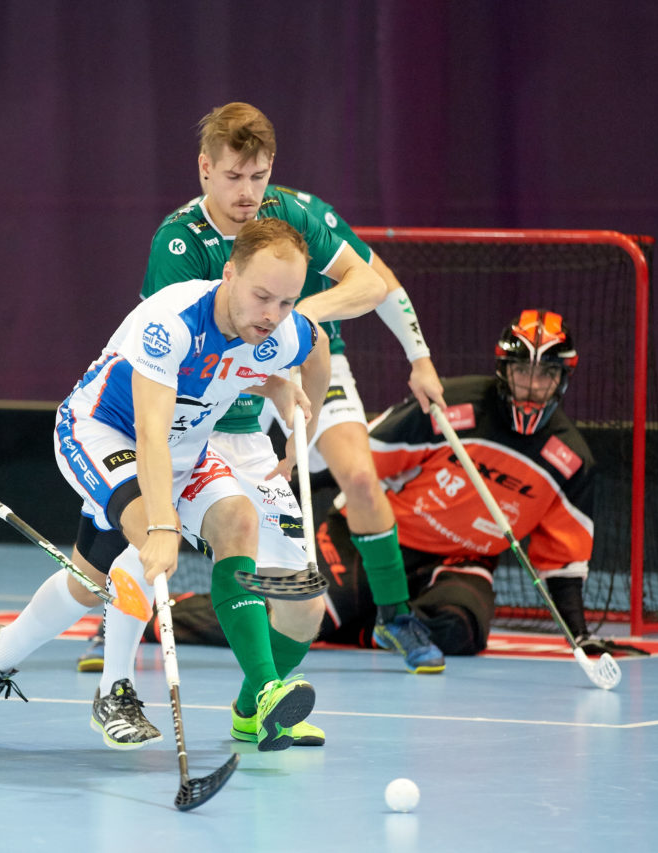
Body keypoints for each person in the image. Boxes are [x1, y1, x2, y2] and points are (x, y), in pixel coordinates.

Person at [0, 218, 380, 753]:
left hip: (185, 448)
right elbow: (149, 432)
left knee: (125, 568)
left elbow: (316, 349)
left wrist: (301, 415)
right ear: (229, 275)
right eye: (261, 297)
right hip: (103, 430)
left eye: (287, 302)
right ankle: (115, 691)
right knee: (149, 540)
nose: (273, 315)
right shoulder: (173, 320)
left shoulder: (285, 328)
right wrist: (162, 526)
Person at [80, 102, 449, 687]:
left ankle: (369, 632)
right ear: (205, 169)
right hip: (202, 413)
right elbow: (193, 365)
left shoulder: (294, 216)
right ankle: (110, 625)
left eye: (258, 176)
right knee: (109, 558)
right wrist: (274, 364)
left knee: (316, 559)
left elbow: (372, 283)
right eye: (233, 177)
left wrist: (295, 317)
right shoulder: (179, 246)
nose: (248, 192)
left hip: (280, 385)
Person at [316, 310, 606, 654]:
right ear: (504, 369)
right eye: (522, 370)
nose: (532, 385)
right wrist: (281, 490)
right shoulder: (446, 406)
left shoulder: (569, 461)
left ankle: (379, 628)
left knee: (459, 630)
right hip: (375, 538)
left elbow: (563, 561)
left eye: (547, 373)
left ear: (563, 378)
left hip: (461, 562)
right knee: (310, 618)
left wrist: (579, 634)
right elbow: (356, 460)